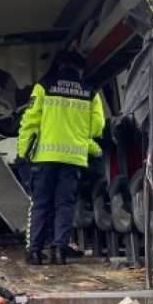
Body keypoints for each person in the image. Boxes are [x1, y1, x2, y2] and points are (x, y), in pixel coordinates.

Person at [17, 51, 105, 265]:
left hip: (44, 158)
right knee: (64, 205)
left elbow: (30, 121)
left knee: (39, 204)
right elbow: (97, 127)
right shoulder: (90, 92)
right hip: (73, 159)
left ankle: (35, 252)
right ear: (80, 70)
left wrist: (22, 152)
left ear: (60, 66)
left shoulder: (44, 87)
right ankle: (59, 252)